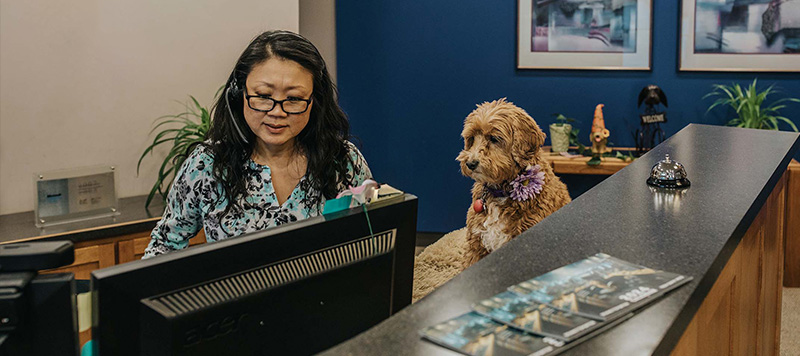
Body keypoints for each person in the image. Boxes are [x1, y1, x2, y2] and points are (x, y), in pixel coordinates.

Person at [143, 30, 372, 258]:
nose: (277, 112)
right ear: (239, 94)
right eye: (263, 95)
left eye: (293, 99)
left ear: (314, 101)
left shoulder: (343, 160)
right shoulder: (208, 165)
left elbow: (371, 238)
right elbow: (164, 246)